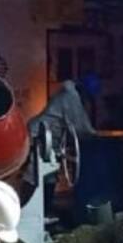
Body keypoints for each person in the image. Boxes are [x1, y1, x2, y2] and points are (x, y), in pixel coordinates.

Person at [26, 74, 100, 208]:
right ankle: (29, 208)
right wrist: (93, 134)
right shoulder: (71, 98)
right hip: (39, 135)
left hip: (48, 138)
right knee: (35, 175)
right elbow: (79, 124)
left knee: (48, 174)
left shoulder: (69, 94)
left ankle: (44, 209)